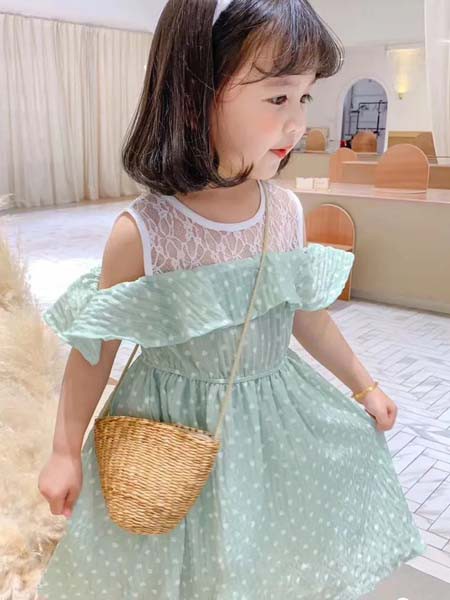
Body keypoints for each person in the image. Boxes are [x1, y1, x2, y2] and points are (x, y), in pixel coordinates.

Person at [36, 0, 426, 598]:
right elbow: (96, 349)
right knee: (179, 557)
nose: (298, 123)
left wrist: (363, 384)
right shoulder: (145, 231)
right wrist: (65, 450)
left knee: (259, 548)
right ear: (195, 94)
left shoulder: (285, 211)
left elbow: (303, 313)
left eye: (305, 97)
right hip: (171, 431)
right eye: (278, 97)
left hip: (272, 422)